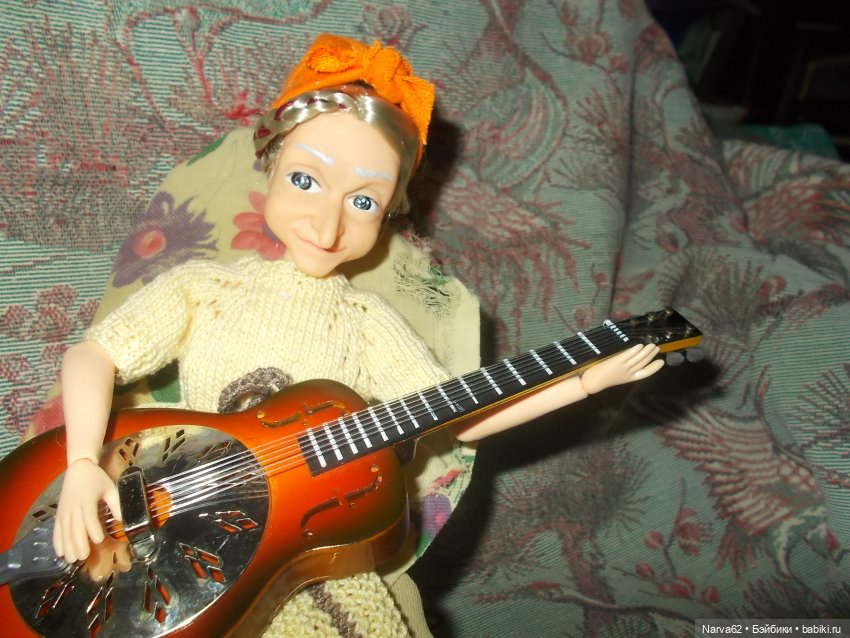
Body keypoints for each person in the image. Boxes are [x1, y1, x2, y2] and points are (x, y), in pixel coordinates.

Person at [51, 32, 662, 633]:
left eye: (363, 202)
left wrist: (583, 383)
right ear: (270, 166)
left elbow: (457, 415)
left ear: (389, 213)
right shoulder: (206, 288)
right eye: (305, 180)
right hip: (172, 517)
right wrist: (82, 463)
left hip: (307, 544)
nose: (328, 223)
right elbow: (94, 354)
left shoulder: (367, 323)